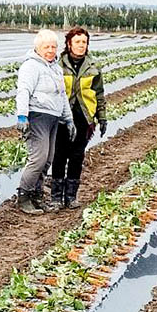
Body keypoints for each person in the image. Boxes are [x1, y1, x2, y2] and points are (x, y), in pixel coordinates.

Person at [15, 29, 76, 214]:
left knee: (48, 159)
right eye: (46, 47)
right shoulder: (31, 66)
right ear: (38, 48)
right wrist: (22, 116)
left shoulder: (56, 68)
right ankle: (23, 196)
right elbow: (23, 90)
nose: (50, 50)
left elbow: (62, 95)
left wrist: (69, 118)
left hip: (53, 117)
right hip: (37, 116)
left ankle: (37, 194)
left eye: (53, 46)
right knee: (38, 158)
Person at [51, 27, 106, 209]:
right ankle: (56, 197)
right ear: (69, 44)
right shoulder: (58, 65)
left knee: (76, 156)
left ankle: (71, 196)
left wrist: (102, 117)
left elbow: (99, 94)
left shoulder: (93, 67)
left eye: (84, 42)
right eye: (77, 42)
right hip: (61, 116)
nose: (81, 45)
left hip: (83, 116)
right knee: (59, 155)